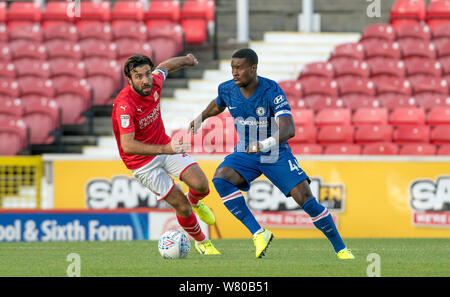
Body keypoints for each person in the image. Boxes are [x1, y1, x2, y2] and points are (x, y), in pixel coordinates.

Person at [188, 48, 354, 259]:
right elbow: (217, 104)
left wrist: (263, 144)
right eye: (232, 68)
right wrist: (200, 118)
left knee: (306, 199)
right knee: (221, 178)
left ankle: (341, 250)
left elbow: (288, 128)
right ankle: (259, 233)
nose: (235, 73)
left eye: (239, 68)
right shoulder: (227, 89)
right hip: (246, 152)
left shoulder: (271, 90)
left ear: (253, 68)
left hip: (274, 152)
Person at [112, 53, 220, 255]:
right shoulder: (124, 105)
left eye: (147, 74)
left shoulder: (154, 83)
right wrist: (165, 149)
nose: (145, 80)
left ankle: (196, 202)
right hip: (142, 163)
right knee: (182, 205)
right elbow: (128, 145)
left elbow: (165, 66)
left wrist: (187, 59)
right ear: (129, 79)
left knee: (202, 186)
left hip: (164, 145)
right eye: (138, 76)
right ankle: (202, 242)